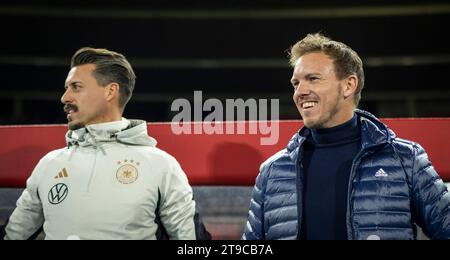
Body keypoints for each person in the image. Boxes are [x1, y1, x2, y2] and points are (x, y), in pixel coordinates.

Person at [243, 33, 450, 240]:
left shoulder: (406, 159)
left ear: (349, 85)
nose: (300, 91)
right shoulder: (272, 171)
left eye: (313, 79)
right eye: (296, 83)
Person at [3, 47, 210, 240]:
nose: (64, 97)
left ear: (110, 91)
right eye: (66, 88)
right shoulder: (49, 164)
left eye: (76, 87)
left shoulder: (160, 165)